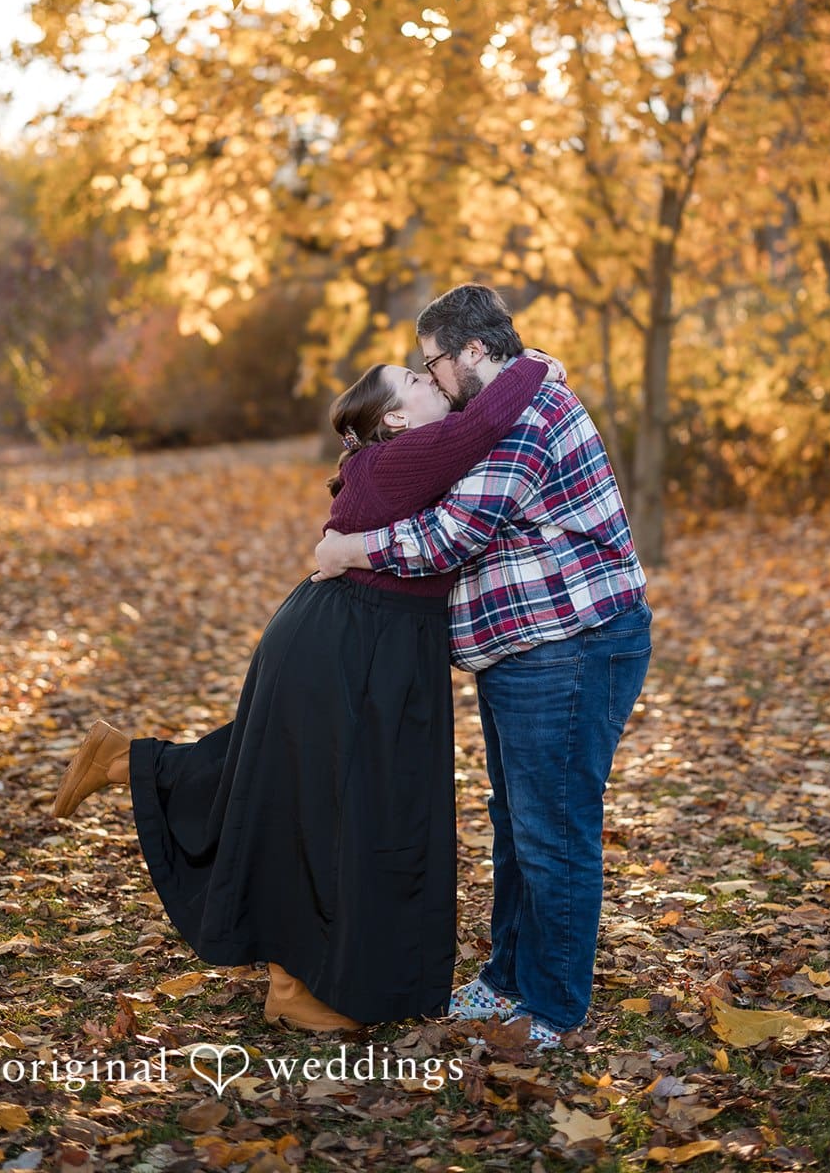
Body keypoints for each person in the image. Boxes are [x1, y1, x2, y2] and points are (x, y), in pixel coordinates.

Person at [50, 348, 558, 1032]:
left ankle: (128, 762)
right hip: (347, 641)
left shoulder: (409, 453)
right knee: (314, 804)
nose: (427, 377)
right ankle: (295, 985)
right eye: (413, 379)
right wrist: (534, 364)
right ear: (397, 415)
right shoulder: (404, 454)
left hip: (367, 640)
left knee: (291, 782)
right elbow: (485, 423)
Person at [314, 284, 651, 1050]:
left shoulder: (530, 415)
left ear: (471, 352)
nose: (429, 379)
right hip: (525, 649)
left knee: (553, 833)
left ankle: (553, 1008)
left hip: (572, 641)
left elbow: (453, 534)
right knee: (515, 825)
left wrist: (349, 551)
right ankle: (507, 980)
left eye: (433, 363)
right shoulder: (489, 414)